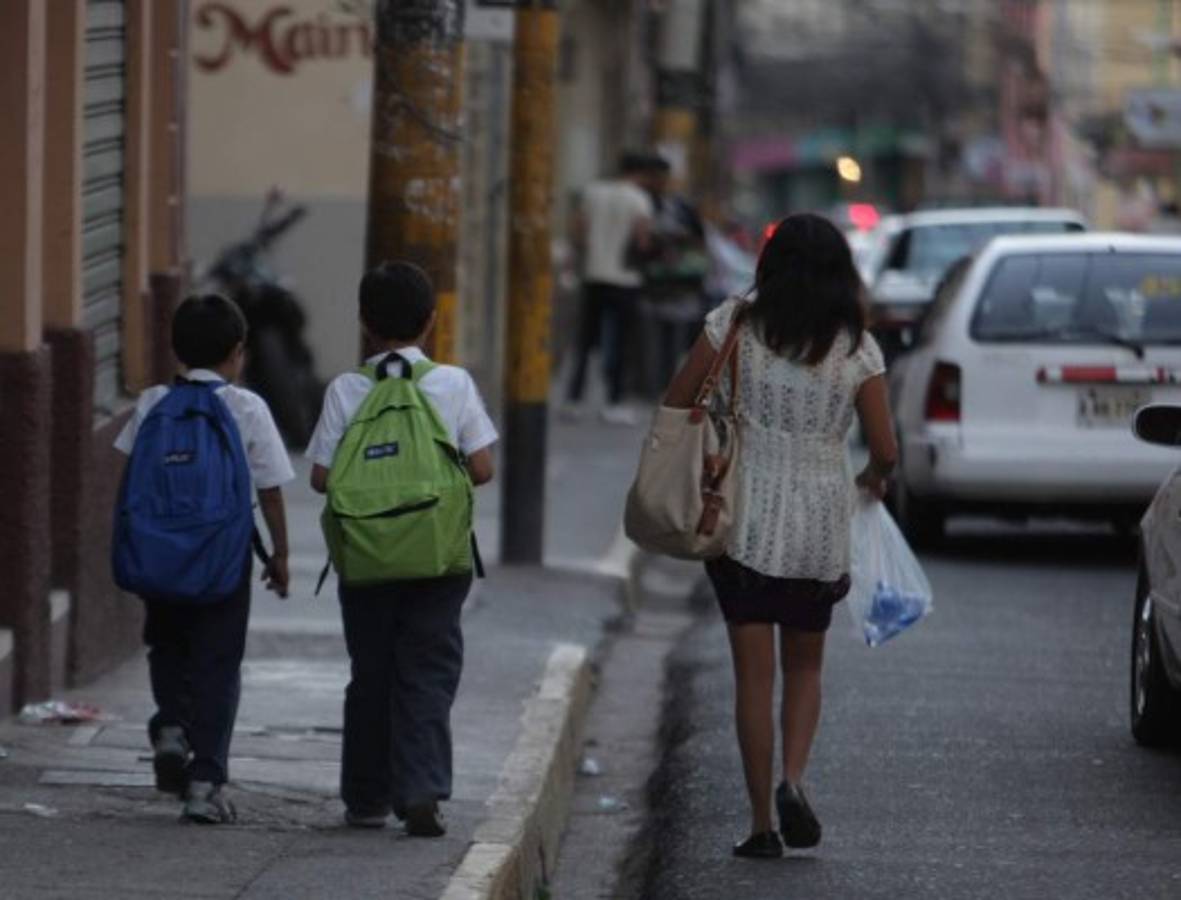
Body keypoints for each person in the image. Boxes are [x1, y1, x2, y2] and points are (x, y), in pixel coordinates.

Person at [661, 214, 898, 858]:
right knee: (805, 663)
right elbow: (885, 448)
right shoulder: (855, 346)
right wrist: (872, 478)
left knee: (752, 676)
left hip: (741, 516)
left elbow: (678, 400)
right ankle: (794, 778)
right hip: (820, 520)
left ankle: (762, 823)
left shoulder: (733, 325)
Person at [306, 261, 497, 837]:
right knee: (428, 669)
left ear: (364, 324)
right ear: (432, 321)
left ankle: (365, 796)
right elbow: (483, 468)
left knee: (371, 672)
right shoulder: (453, 383)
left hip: (365, 559)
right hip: (438, 556)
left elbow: (320, 478)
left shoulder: (346, 389)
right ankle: (421, 789)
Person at [114, 293, 294, 824]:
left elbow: (132, 479)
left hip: (160, 560)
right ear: (238, 352)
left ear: (175, 351)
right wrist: (280, 554)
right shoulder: (247, 408)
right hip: (222, 563)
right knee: (218, 664)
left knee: (166, 645)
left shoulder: (151, 404)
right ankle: (206, 782)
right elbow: (271, 491)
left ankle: (171, 725)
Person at [565, 152, 655, 425]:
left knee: (586, 341)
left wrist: (588, 252)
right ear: (640, 174)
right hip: (625, 279)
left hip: (594, 274)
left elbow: (578, 229)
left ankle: (574, 399)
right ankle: (613, 402)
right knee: (620, 342)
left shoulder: (593, 193)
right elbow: (642, 240)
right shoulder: (639, 199)